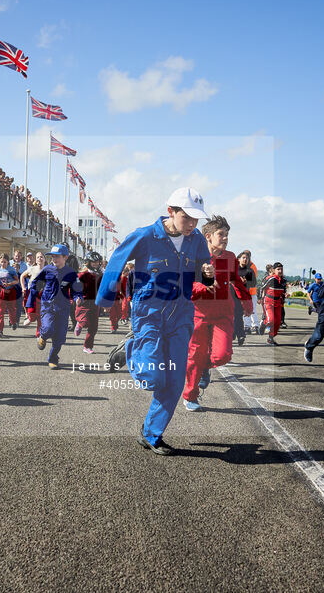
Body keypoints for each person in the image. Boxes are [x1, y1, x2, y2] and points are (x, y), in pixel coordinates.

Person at [97, 187, 214, 455]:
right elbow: (117, 260)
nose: (193, 224)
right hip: (149, 311)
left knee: (173, 380)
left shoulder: (195, 239)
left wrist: (207, 275)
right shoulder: (145, 235)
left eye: (197, 219)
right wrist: (105, 298)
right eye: (188, 218)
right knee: (151, 375)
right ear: (171, 211)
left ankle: (151, 434)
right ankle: (130, 349)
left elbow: (205, 269)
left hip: (182, 313)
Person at [181, 215, 249, 411]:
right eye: (222, 234)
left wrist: (246, 302)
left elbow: (237, 280)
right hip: (198, 314)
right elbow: (184, 286)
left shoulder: (230, 257)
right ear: (208, 236)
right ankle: (191, 397)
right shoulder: (193, 257)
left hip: (223, 315)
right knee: (195, 356)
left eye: (227, 234)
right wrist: (203, 287)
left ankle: (204, 368)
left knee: (222, 356)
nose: (226, 238)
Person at [27, 244, 84, 369]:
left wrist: (78, 298)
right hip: (48, 306)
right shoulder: (47, 269)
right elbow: (35, 283)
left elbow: (77, 289)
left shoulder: (70, 273)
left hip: (63, 308)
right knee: (48, 328)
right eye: (52, 256)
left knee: (60, 338)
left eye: (57, 256)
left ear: (65, 257)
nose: (54, 259)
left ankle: (53, 358)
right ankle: (42, 336)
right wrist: (33, 296)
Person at [75, 252, 103, 354]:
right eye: (93, 262)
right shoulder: (82, 274)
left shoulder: (101, 274)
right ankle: (79, 323)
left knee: (93, 327)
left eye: (97, 262)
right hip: (84, 302)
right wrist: (77, 296)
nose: (95, 264)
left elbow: (104, 288)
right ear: (88, 262)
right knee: (85, 322)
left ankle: (87, 346)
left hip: (96, 303)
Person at [0, 253, 20, 338]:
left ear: (8, 262)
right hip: (2, 291)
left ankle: (13, 322)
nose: (3, 264)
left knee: (11, 309)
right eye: (1, 262)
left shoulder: (11, 270)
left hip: (11, 291)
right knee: (0, 311)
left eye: (5, 262)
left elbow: (17, 281)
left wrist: (9, 283)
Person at [260, 263, 287, 346]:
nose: (280, 271)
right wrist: (260, 298)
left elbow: (283, 291)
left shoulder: (284, 280)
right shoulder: (270, 279)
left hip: (278, 302)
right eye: (278, 269)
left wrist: (285, 295)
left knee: (278, 323)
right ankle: (264, 324)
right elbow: (262, 288)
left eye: (281, 269)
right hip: (268, 301)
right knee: (270, 320)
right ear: (274, 270)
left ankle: (270, 338)